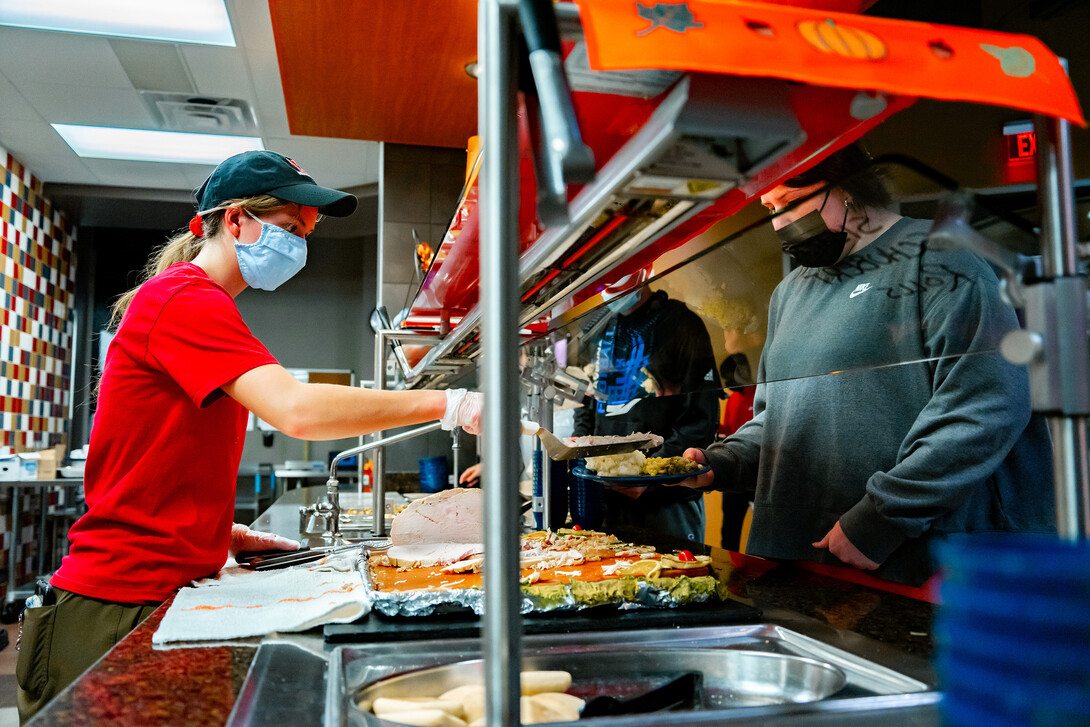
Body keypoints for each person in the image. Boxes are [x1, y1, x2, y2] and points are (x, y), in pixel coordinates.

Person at [16, 150, 482, 721]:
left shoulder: (196, 301)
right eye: (289, 228)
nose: (299, 247)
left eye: (306, 235)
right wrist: (449, 403)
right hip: (117, 603)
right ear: (235, 220)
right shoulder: (184, 298)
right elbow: (297, 411)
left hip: (150, 585)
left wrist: (214, 531)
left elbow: (162, 454)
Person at [680, 144, 1054, 586]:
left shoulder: (941, 260)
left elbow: (984, 406)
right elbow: (777, 419)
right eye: (769, 208)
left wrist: (881, 517)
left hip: (910, 558)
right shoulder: (790, 293)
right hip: (793, 551)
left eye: (792, 201)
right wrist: (719, 462)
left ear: (849, 189)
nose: (780, 222)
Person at [574, 269, 721, 543]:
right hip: (606, 498)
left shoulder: (682, 326)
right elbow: (586, 403)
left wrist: (648, 476)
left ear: (642, 272)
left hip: (666, 502)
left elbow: (701, 419)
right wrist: (584, 455)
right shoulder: (599, 329)